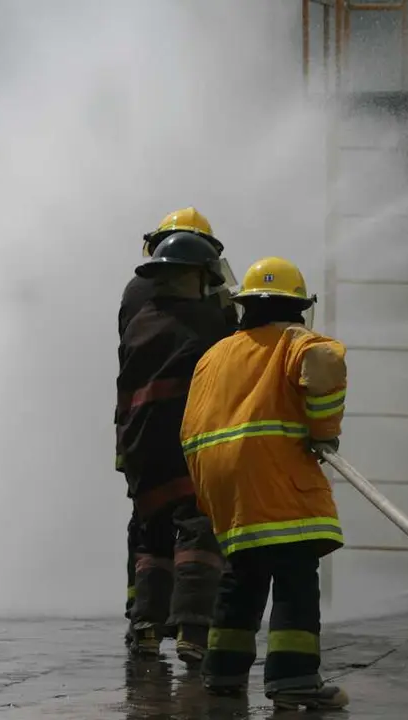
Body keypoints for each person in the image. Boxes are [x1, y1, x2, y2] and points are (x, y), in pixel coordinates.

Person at [179, 256, 350, 710]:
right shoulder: (294, 339)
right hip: (274, 476)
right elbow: (324, 361)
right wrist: (323, 431)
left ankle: (223, 671)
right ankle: (294, 678)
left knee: (243, 574)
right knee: (295, 573)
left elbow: (192, 424)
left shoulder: (215, 354)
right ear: (296, 307)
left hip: (223, 484)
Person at [116, 207, 235, 643]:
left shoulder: (138, 304)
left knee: (150, 525)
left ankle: (145, 622)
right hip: (189, 433)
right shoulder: (208, 318)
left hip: (138, 434)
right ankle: (192, 625)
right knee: (199, 523)